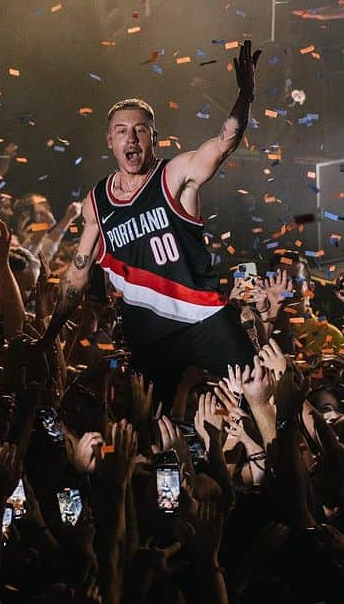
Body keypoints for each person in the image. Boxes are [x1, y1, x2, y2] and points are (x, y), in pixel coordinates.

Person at [43, 39, 261, 404]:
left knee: (260, 394)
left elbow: (224, 141)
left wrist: (245, 96)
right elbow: (77, 276)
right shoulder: (96, 203)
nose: (131, 137)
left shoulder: (174, 175)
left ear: (153, 138)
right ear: (109, 141)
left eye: (140, 130)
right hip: (152, 338)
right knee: (152, 434)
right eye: (121, 131)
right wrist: (49, 335)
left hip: (205, 318)